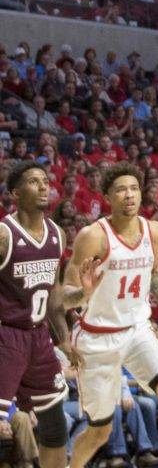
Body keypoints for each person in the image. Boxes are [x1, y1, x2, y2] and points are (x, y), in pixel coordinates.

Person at [63, 163, 158, 468]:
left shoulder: (155, 231)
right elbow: (64, 294)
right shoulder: (92, 236)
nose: (129, 195)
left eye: (134, 188)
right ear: (107, 196)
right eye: (121, 189)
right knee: (100, 432)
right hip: (97, 337)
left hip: (137, 330)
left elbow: (155, 270)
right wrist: (83, 293)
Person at [0, 162, 75, 468]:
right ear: (15, 193)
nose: (44, 186)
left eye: (45, 180)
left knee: (55, 423)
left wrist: (65, 340)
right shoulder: (4, 235)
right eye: (33, 181)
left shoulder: (57, 235)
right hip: (7, 334)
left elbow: (54, 294)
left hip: (39, 337)